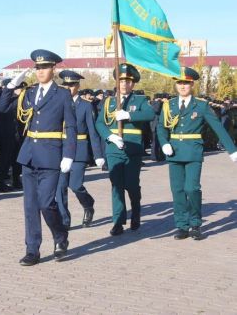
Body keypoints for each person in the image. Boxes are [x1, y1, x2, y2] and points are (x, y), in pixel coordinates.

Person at [0, 50, 76, 266]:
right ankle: (32, 249)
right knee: (30, 206)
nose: (40, 71)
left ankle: (60, 236)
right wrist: (11, 86)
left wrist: (69, 154)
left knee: (46, 203)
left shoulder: (62, 94)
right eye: (37, 68)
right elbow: (2, 107)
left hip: (51, 155)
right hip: (29, 155)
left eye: (44, 67)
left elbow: (70, 125)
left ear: (53, 69)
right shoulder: (29, 93)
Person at [157, 67, 237, 240]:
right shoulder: (168, 105)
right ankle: (182, 225)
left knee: (191, 188)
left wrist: (232, 150)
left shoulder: (201, 105)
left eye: (186, 83)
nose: (183, 86)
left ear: (191, 84)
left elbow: (218, 128)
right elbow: (161, 127)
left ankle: (195, 223)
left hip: (193, 151)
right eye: (180, 83)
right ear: (176, 85)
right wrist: (164, 143)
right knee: (177, 190)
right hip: (174, 152)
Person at [95, 63, 155, 236]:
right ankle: (118, 221)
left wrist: (129, 115)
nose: (124, 84)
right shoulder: (109, 102)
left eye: (128, 81)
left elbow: (150, 114)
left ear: (133, 83)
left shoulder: (140, 100)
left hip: (132, 148)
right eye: (121, 80)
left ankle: (135, 213)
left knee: (131, 185)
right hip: (114, 148)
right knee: (116, 186)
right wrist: (110, 136)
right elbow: (99, 122)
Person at [55, 70, 104, 229]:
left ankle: (88, 204)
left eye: (72, 84)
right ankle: (64, 220)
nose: (68, 87)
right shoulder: (58, 103)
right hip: (61, 149)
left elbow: (92, 130)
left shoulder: (85, 105)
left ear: (78, 85)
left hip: (79, 150)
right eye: (66, 84)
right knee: (60, 187)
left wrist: (98, 154)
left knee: (75, 185)